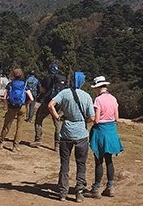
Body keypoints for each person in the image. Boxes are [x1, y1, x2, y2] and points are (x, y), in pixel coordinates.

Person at [48, 71, 94, 202]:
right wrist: (84, 121)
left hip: (66, 132)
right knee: (81, 163)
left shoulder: (64, 93)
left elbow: (50, 105)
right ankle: (79, 192)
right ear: (83, 82)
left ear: (71, 81)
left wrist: (57, 117)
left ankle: (63, 192)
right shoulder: (87, 96)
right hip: (81, 134)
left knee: (65, 162)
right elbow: (92, 117)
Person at [87, 76, 123, 198]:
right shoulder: (113, 99)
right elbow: (117, 118)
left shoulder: (98, 100)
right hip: (111, 130)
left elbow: (96, 119)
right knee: (109, 159)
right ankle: (110, 187)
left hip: (100, 131)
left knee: (98, 160)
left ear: (97, 87)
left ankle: (96, 188)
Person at [0, 68, 33, 151]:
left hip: (12, 107)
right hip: (22, 107)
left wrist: (7, 105)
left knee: (7, 126)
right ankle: (15, 146)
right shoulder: (25, 84)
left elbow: (5, 97)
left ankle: (0, 142)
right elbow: (31, 98)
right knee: (19, 127)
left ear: (13, 75)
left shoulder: (10, 84)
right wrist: (26, 104)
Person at [34, 63, 66, 149]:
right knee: (58, 123)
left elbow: (43, 89)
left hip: (48, 102)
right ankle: (57, 145)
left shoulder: (47, 78)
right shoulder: (61, 79)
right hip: (59, 103)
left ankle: (38, 139)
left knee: (39, 119)